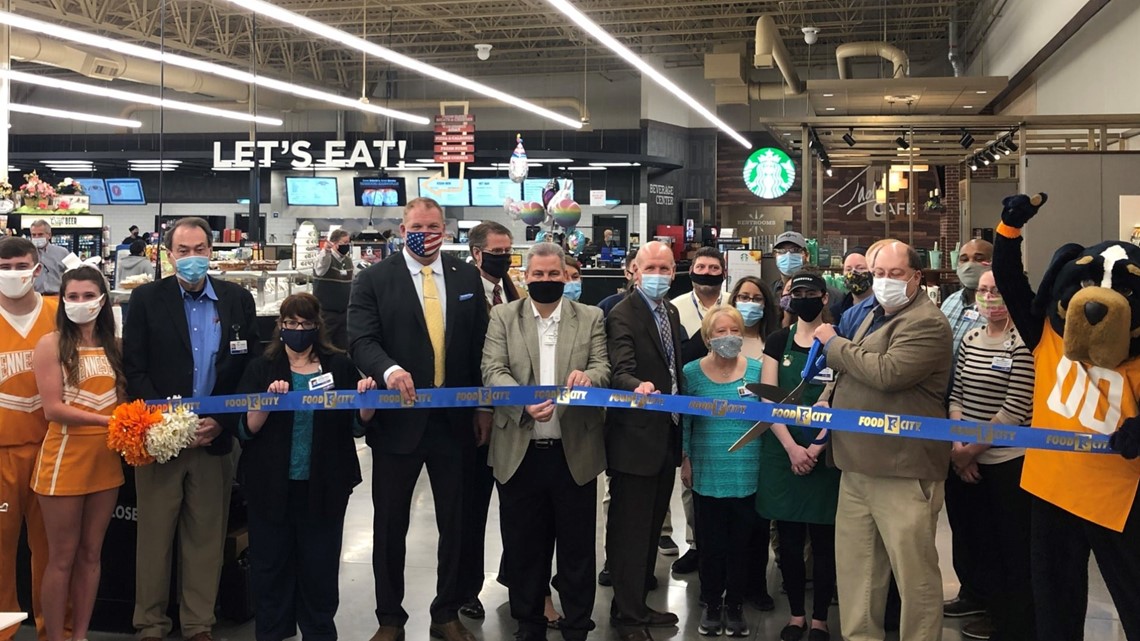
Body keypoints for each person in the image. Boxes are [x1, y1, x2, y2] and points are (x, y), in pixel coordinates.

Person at [347, 197, 490, 641]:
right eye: (416, 225)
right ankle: (389, 619)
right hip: (396, 424)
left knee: (456, 523)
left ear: (444, 230)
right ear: (401, 227)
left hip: (454, 423)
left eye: (432, 226)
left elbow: (480, 345)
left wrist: (483, 405)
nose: (424, 233)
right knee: (390, 526)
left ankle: (446, 612)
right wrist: (387, 369)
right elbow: (360, 339)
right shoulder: (373, 279)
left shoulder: (465, 276)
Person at [123, 216, 261, 641]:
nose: (192, 258)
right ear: (169, 254)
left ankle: (198, 623)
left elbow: (249, 367)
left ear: (211, 251)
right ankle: (150, 622)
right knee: (154, 538)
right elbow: (135, 368)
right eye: (183, 251)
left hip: (214, 440)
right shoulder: (146, 300)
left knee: (205, 536)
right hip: (162, 440)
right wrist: (172, 424)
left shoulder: (237, 300)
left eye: (200, 249)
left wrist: (221, 421)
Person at [813, 240, 953, 641]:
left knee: (915, 578)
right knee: (858, 574)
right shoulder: (869, 314)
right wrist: (826, 401)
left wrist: (833, 344)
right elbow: (846, 373)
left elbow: (888, 372)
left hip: (902, 468)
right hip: (855, 464)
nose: (886, 282)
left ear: (916, 277)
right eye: (879, 274)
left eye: (895, 274)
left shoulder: (926, 321)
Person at [481, 242, 610, 641]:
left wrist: (589, 379)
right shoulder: (504, 316)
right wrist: (523, 401)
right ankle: (529, 622)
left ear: (566, 276)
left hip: (574, 452)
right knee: (523, 546)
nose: (546, 281)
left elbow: (603, 366)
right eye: (538, 275)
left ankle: (576, 624)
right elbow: (492, 369)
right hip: (519, 453)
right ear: (525, 276)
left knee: (576, 548)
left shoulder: (590, 316)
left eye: (554, 274)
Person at [236, 292, 377, 641]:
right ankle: (272, 631)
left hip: (325, 485)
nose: (298, 329)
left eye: (305, 323)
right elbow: (245, 430)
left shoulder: (340, 366)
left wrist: (365, 405)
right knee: (270, 566)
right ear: (280, 326)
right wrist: (266, 404)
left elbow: (356, 427)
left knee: (320, 567)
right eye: (291, 323)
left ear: (318, 326)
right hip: (269, 486)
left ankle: (318, 631)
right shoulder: (260, 367)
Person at [31, 265, 124, 641]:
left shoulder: (116, 346)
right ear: (62, 300)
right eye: (73, 296)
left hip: (106, 461)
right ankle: (56, 636)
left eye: (88, 296)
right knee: (62, 557)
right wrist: (111, 423)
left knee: (91, 555)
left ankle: (81, 634)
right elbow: (52, 408)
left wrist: (139, 420)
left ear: (103, 300)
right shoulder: (50, 344)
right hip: (64, 461)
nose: (80, 303)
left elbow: (125, 400)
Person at [945, 270, 1036, 641]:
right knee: (977, 541)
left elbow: (1014, 408)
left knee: (1011, 548)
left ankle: (1012, 623)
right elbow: (957, 396)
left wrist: (970, 452)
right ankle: (986, 606)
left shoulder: (1024, 342)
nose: (989, 296)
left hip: (1009, 461)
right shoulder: (970, 337)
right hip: (967, 457)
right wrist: (960, 449)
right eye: (983, 290)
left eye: (997, 289)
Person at [604, 241, 684, 641]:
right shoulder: (622, 314)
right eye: (650, 266)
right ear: (634, 270)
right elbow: (620, 371)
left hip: (665, 435)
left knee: (651, 529)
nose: (658, 274)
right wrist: (639, 386)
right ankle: (627, 615)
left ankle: (634, 603)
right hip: (634, 440)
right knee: (629, 532)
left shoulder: (668, 311)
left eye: (665, 268)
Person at [756, 272, 840, 641]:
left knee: (825, 542)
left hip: (825, 454)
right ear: (788, 299)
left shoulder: (839, 343)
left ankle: (820, 618)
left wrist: (816, 447)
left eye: (810, 292)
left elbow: (842, 400)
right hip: (783, 452)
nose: (803, 298)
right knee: (788, 541)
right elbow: (767, 398)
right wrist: (792, 448)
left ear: (824, 298)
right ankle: (796, 615)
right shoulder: (777, 341)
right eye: (796, 293)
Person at [681, 305, 761, 637]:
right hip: (707, 468)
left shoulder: (757, 371)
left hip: (748, 469)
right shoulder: (690, 373)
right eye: (720, 332)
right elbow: (685, 418)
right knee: (710, 544)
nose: (728, 337)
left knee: (742, 544)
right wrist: (685, 458)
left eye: (734, 331)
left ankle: (736, 606)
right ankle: (712, 604)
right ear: (707, 337)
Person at [0, 237, 63, 641]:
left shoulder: (60, 315)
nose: (12, 275)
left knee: (55, 552)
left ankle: (56, 631)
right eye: (5, 267)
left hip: (54, 450)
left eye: (21, 266)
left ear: (38, 269)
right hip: (2, 450)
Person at [457, 220, 519, 621]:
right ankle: (467, 588)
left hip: (515, 418)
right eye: (497, 252)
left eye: (507, 251)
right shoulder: (460, 291)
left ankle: (519, 580)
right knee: (472, 507)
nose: (504, 258)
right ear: (477, 253)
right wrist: (479, 405)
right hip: (474, 418)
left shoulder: (513, 289)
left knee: (518, 506)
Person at [666, 246, 725, 570]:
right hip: (690, 402)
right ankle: (695, 542)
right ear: (691, 270)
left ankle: (725, 544)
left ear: (723, 271)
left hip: (731, 400)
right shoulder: (674, 308)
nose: (707, 272)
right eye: (701, 266)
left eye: (714, 268)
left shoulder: (735, 306)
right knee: (690, 478)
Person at [311, 228, 355, 349]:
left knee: (343, 348)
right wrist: (326, 251)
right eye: (344, 243)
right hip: (326, 315)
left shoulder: (348, 261)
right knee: (325, 347)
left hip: (344, 315)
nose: (347, 246)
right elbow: (322, 263)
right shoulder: (326, 259)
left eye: (348, 243)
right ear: (335, 244)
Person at [728, 275, 779, 359]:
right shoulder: (720, 338)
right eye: (744, 297)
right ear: (734, 300)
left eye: (757, 299)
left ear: (765, 304)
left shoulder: (775, 341)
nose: (750, 303)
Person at [29, 220, 70, 296]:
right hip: (34, 297)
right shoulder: (27, 253)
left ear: (49, 235)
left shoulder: (63, 252)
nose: (36, 237)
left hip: (56, 296)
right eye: (33, 235)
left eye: (40, 234)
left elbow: (73, 274)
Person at [831, 247, 871, 321]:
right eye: (848, 269)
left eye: (861, 268)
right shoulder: (836, 311)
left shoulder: (884, 309)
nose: (853, 273)